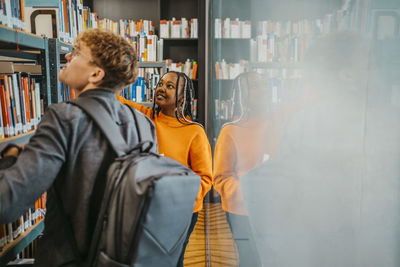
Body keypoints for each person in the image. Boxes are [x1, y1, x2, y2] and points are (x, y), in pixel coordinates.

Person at [0, 29, 157, 266]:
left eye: (76, 53)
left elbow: (8, 203)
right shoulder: (143, 124)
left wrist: (11, 157)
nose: (67, 57)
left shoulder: (64, 118)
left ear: (96, 73)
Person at [117, 71, 213, 266]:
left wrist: (178, 200)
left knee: (172, 260)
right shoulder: (146, 117)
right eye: (160, 84)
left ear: (182, 98)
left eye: (170, 86)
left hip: (179, 211)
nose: (161, 88)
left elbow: (205, 178)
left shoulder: (194, 131)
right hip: (148, 208)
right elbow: (115, 101)